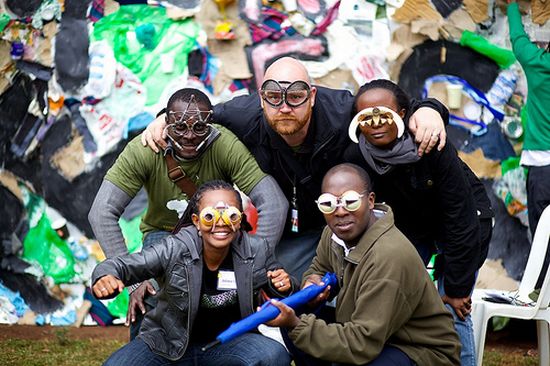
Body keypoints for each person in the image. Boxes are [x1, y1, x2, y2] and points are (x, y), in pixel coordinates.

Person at [142, 57, 450, 281]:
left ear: (312, 96)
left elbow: (397, 107)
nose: (285, 106)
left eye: (296, 96)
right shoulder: (243, 114)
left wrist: (430, 110)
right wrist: (161, 118)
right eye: (274, 97)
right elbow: (197, 114)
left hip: (352, 223)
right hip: (296, 231)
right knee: (289, 289)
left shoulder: (343, 110)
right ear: (261, 99)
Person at [88, 88, 287, 339]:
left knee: (229, 297)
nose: (190, 136)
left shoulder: (224, 143)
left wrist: (254, 261)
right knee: (149, 297)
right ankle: (144, 351)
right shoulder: (144, 149)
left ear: (211, 124)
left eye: (199, 128)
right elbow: (101, 213)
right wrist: (136, 282)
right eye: (180, 128)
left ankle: (234, 348)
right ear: (165, 123)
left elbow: (274, 204)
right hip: (165, 235)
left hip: (219, 231)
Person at [344, 79, 494, 366]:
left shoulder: (431, 143)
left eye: (385, 114)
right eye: (366, 116)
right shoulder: (356, 155)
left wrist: (457, 288)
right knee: (400, 299)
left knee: (451, 307)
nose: (376, 122)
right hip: (412, 229)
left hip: (464, 224)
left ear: (403, 114)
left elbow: (460, 217)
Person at [266, 163, 461, 365]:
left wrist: (296, 324)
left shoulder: (388, 256)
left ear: (370, 201)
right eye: (328, 204)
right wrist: (312, 282)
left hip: (419, 349)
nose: (340, 212)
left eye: (350, 201)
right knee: (297, 312)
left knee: (298, 325)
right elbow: (320, 267)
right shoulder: (333, 234)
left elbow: (362, 343)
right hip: (375, 333)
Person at [91, 180, 294, 366]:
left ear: (240, 219)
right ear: (196, 220)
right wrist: (105, 276)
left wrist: (284, 286)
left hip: (230, 343)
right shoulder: (175, 248)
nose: (221, 223)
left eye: (231, 215)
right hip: (168, 345)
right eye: (209, 216)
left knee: (273, 356)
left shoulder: (257, 249)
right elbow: (124, 265)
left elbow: (281, 286)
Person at [507, 0, 550, 293]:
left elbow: (517, 38)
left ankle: (540, 298)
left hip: (541, 167)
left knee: (543, 240)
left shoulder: (538, 65)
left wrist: (511, 6)